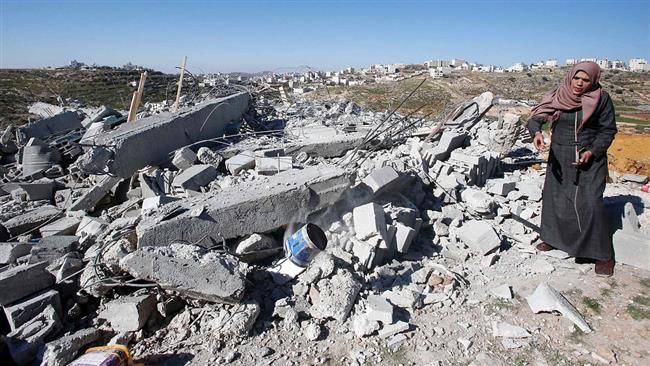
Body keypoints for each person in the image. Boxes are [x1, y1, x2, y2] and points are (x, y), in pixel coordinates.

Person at [526, 61, 617, 276]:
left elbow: (608, 130)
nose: (579, 83)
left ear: (593, 81)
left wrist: (592, 151)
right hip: (560, 155)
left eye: (586, 80)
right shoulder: (559, 94)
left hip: (589, 157)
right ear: (570, 77)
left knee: (590, 203)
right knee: (556, 199)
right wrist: (537, 133)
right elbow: (536, 117)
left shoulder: (601, 99)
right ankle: (553, 239)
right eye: (577, 78)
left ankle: (602, 255)